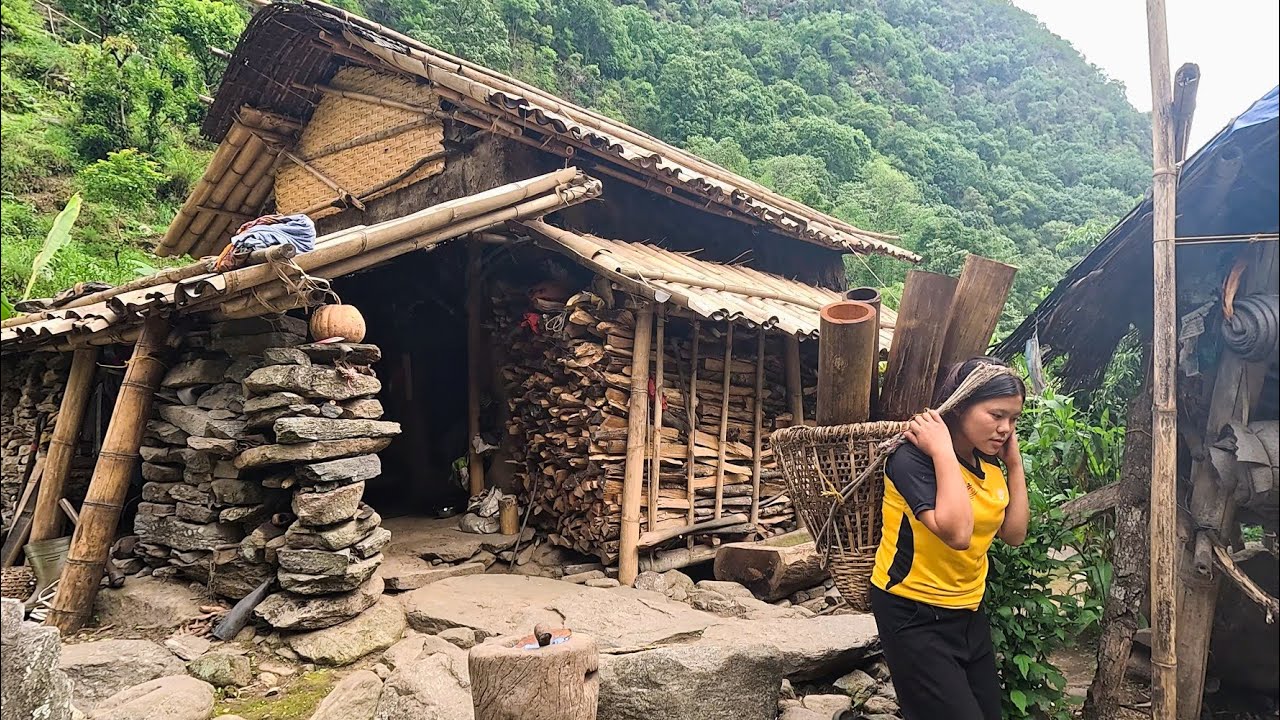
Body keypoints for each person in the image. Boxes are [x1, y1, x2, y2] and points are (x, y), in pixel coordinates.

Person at [866, 356, 1030, 720]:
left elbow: (1014, 533)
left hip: (968, 610)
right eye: (996, 415)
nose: (1005, 429)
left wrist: (1015, 464)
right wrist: (941, 449)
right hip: (913, 612)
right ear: (958, 408)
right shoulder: (911, 459)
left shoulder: (988, 461)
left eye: (1013, 420)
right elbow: (957, 533)